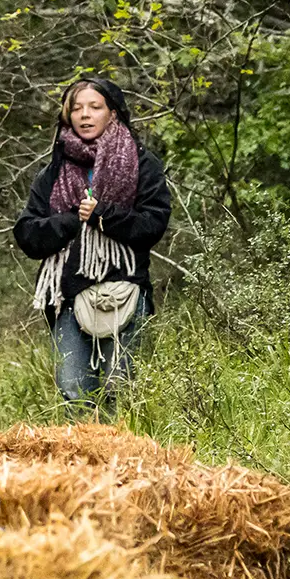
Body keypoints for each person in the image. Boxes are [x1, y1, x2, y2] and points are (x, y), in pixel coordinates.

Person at [13, 76, 172, 407]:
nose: (84, 115)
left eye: (94, 107)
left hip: (125, 292)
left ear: (113, 113)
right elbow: (28, 234)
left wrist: (104, 215)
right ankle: (82, 459)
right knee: (74, 392)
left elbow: (153, 225)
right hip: (67, 297)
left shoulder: (143, 164)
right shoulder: (52, 173)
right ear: (67, 116)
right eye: (76, 108)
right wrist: (71, 220)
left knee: (122, 392)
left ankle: (125, 459)